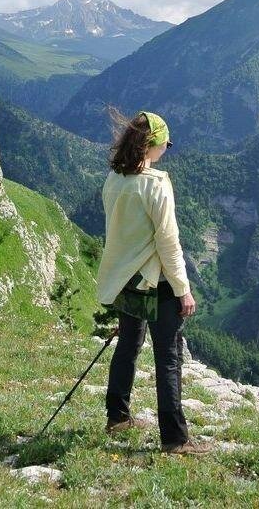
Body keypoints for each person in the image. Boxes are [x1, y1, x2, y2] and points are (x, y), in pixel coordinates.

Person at [95, 107, 212, 456]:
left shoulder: (114, 179)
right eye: (165, 146)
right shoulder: (156, 184)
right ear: (152, 146)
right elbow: (168, 241)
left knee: (128, 345)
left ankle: (117, 416)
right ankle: (175, 439)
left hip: (124, 278)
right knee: (169, 356)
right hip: (155, 280)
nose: (165, 152)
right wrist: (183, 289)